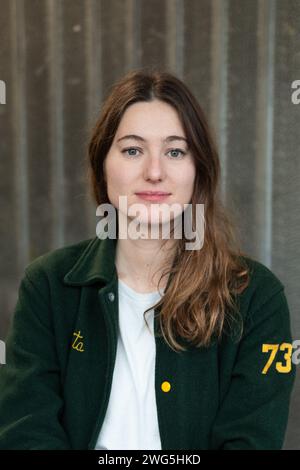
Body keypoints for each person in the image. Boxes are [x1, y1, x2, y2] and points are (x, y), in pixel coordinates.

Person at [0, 68, 296, 450]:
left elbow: (251, 440)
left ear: (198, 170)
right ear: (102, 165)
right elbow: (26, 432)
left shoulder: (256, 296)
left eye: (175, 151)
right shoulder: (48, 286)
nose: (154, 172)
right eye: (132, 150)